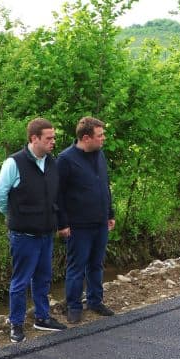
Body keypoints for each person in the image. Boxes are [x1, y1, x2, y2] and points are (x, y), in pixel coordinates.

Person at [0, 118, 68, 343]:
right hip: (23, 235)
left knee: (43, 278)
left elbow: (57, 196)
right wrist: (15, 216)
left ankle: (42, 317)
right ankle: (16, 324)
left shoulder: (51, 163)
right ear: (34, 138)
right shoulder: (14, 163)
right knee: (20, 281)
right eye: (49, 138)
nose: (53, 142)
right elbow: (0, 194)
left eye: (53, 138)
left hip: (46, 232)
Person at [56, 117, 117, 323]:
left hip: (100, 222)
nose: (103, 139)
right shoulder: (65, 159)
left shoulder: (99, 155)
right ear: (86, 137)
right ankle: (73, 306)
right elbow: (58, 195)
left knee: (96, 264)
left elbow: (105, 185)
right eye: (100, 135)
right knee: (76, 266)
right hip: (78, 225)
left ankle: (95, 300)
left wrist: (110, 213)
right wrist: (62, 224)